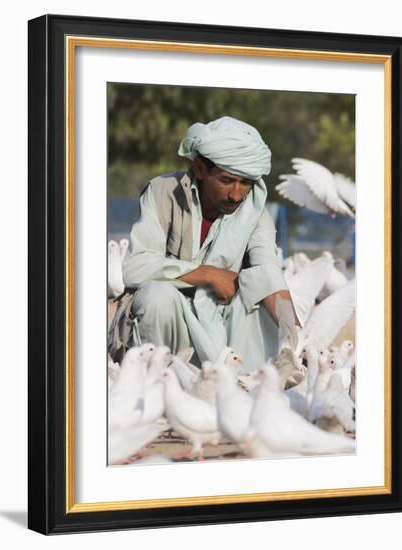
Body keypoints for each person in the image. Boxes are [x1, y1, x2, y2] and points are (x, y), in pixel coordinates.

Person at [108, 116, 298, 372]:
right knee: (157, 296)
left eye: (246, 183)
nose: (237, 194)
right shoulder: (163, 193)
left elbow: (269, 275)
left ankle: (239, 383)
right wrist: (208, 275)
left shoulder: (253, 212)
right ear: (199, 168)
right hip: (167, 327)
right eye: (227, 180)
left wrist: (294, 338)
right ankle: (154, 383)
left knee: (255, 297)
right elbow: (136, 267)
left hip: (220, 330)